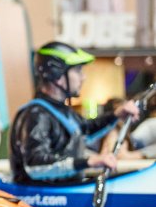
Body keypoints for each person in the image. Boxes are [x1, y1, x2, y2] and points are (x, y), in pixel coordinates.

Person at [9, 41, 140, 184]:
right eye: (77, 71)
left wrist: (116, 115)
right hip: (40, 202)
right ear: (57, 75)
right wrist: (89, 161)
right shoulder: (36, 115)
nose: (83, 77)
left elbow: (86, 130)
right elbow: (36, 165)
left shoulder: (62, 111)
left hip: (60, 196)